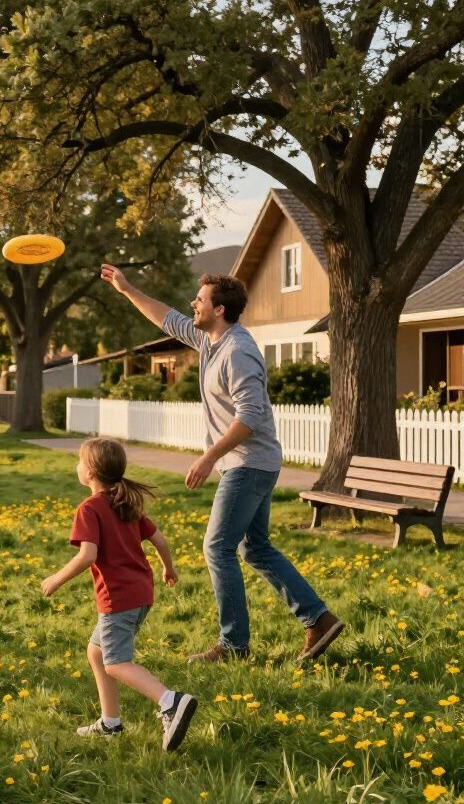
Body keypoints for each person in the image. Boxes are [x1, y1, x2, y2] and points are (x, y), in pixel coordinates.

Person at [101, 265, 344, 663]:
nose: (192, 304)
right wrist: (127, 290)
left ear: (219, 309)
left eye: (200, 300)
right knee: (256, 549)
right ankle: (319, 619)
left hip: (249, 463)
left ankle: (234, 645)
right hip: (249, 463)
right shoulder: (209, 339)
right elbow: (166, 317)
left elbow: (250, 415)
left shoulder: (238, 351)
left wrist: (209, 455)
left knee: (217, 547)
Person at [42, 436, 198, 751]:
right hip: (141, 592)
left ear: (90, 472)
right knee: (96, 652)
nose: (77, 466)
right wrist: (168, 569)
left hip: (118, 598)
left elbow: (87, 555)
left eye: (80, 460)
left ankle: (170, 701)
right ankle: (110, 723)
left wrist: (55, 579)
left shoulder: (89, 508)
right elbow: (161, 540)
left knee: (115, 662)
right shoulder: (124, 502)